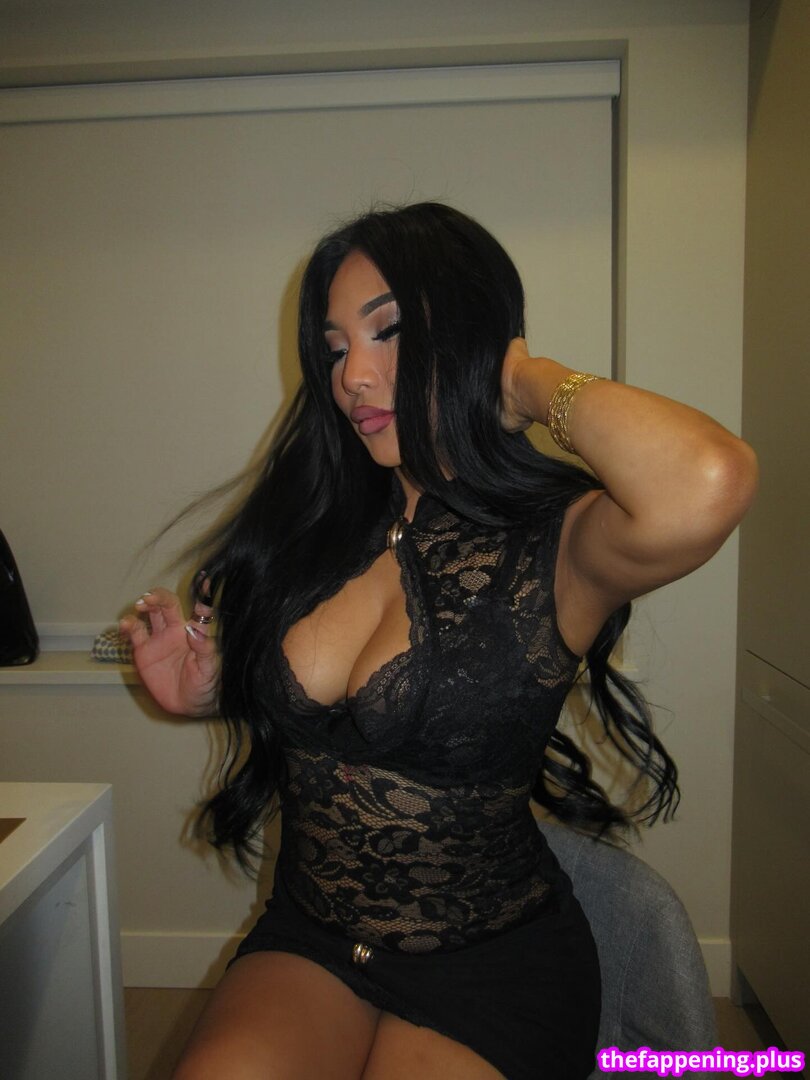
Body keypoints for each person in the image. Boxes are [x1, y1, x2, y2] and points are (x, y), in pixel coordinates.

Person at [120, 203, 757, 1080]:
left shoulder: (559, 540)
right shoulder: (319, 526)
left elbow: (712, 479)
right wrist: (213, 691)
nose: (353, 376)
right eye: (336, 348)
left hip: (493, 963)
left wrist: (523, 378)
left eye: (389, 333)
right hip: (313, 938)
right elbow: (323, 726)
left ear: (466, 335)